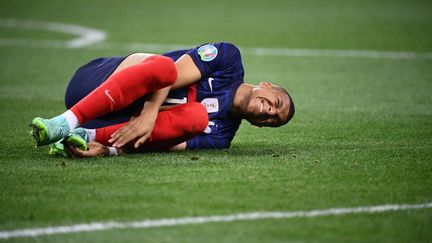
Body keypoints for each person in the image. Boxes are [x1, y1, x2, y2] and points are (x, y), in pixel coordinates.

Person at [30, 42, 295, 157]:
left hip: (105, 121)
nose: (270, 112)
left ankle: (81, 135)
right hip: (94, 83)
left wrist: (110, 150)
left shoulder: (220, 137)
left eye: (273, 120)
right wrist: (151, 110)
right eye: (277, 104)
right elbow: (172, 74)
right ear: (267, 85)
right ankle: (63, 122)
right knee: (164, 68)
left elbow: (161, 144)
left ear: (260, 126)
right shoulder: (229, 59)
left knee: (196, 117)